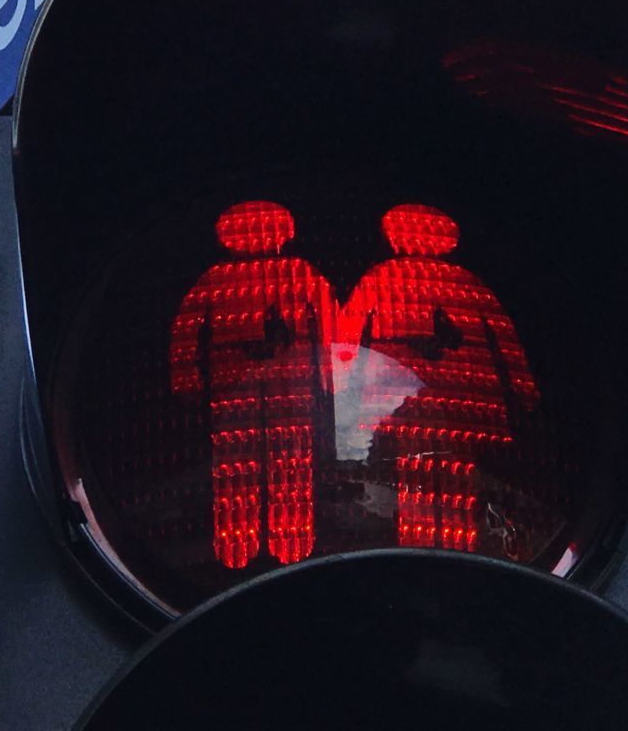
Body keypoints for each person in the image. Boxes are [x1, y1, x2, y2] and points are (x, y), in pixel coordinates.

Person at [342, 204, 540, 556]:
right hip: (440, 404)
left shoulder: (383, 279)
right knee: (445, 474)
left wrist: (344, 394)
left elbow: (346, 339)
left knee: (425, 474)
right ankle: (443, 547)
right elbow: (501, 336)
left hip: (405, 402)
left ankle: (431, 545)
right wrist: (524, 392)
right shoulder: (462, 282)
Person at [169, 201, 335, 569]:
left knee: (287, 462)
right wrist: (187, 377)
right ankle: (245, 551)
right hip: (239, 386)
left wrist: (331, 375)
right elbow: (188, 327)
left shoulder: (299, 272)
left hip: (285, 382)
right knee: (239, 465)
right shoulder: (218, 278)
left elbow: (328, 321)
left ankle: (289, 547)